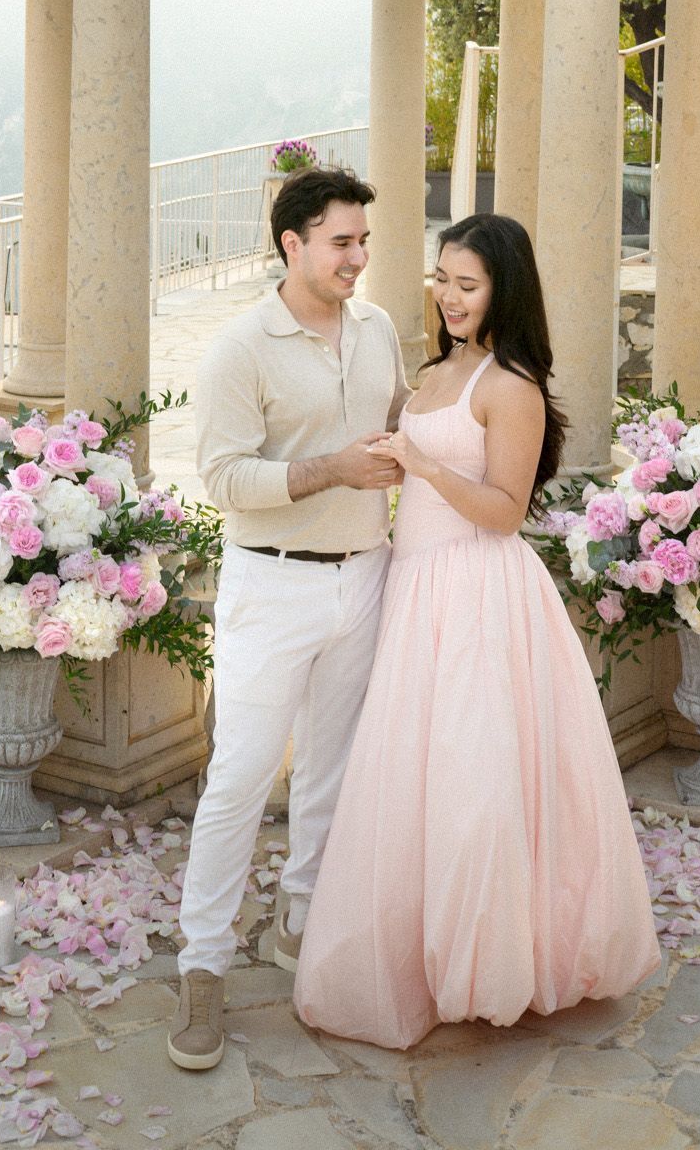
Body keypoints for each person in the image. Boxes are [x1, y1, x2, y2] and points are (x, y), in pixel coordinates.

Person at [293, 212, 661, 1050]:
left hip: (477, 594)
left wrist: (422, 466)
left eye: (468, 284)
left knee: (473, 781)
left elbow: (503, 512)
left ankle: (487, 963)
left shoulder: (511, 385)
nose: (449, 297)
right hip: (413, 587)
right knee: (410, 779)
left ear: (504, 289)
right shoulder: (435, 370)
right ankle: (416, 955)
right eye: (441, 279)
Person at [168, 165, 409, 1071]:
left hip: (368, 575)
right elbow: (225, 480)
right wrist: (329, 471)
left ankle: (300, 922)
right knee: (239, 779)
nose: (358, 258)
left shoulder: (379, 327)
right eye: (341, 242)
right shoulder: (240, 348)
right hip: (269, 586)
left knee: (333, 773)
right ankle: (201, 969)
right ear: (293, 245)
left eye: (362, 241)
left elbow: (392, 426)